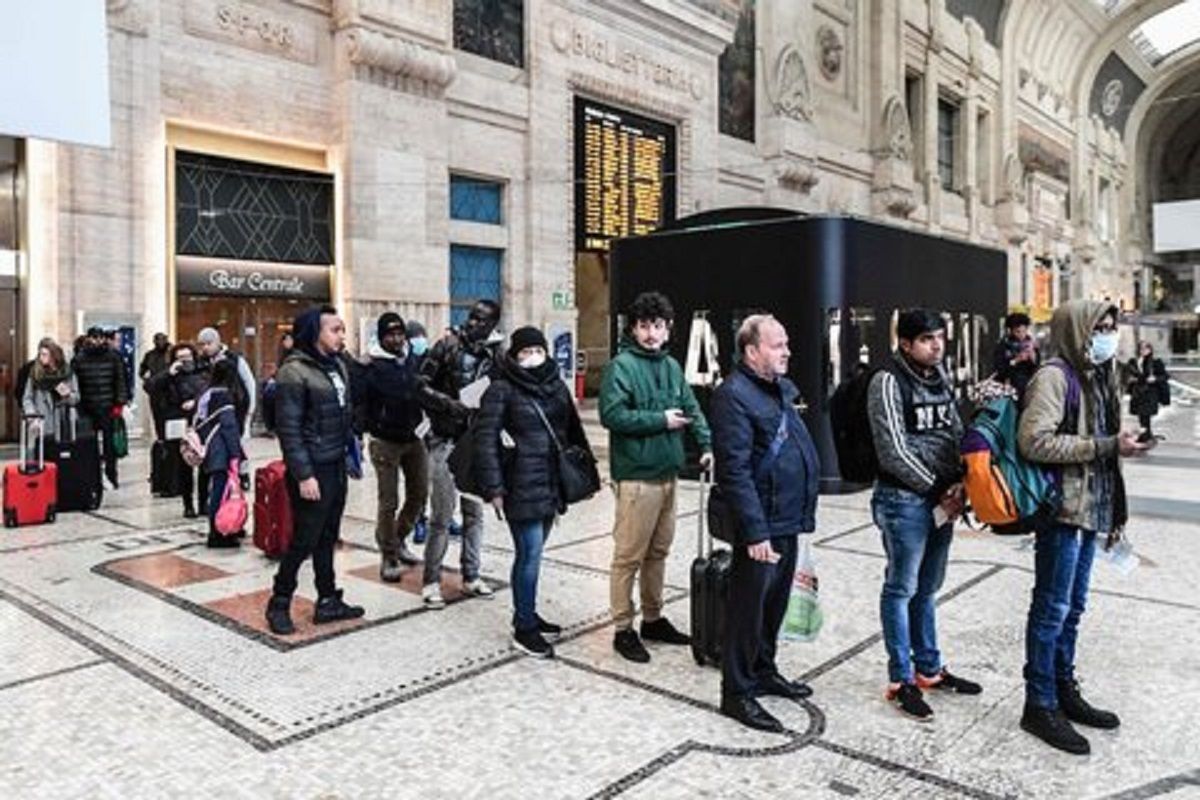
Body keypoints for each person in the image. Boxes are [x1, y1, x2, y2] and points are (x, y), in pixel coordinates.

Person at [1017, 300, 1149, 755]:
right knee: (1051, 609)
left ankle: (1062, 689)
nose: (1108, 335)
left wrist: (1118, 451)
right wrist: (1107, 444)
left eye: (1112, 327)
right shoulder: (1055, 376)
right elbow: (1033, 441)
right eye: (1100, 327)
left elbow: (1100, 446)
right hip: (1062, 513)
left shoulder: (1099, 375)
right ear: (1076, 330)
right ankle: (1039, 702)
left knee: (1072, 609)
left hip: (1091, 509)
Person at [867, 308, 980, 721]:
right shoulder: (887, 381)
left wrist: (960, 483)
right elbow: (892, 450)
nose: (937, 345)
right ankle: (901, 679)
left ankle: (928, 668)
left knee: (928, 586)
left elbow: (951, 431)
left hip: (940, 499)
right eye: (928, 339)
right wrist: (938, 490)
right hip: (903, 501)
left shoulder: (939, 377)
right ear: (906, 343)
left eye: (941, 338)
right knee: (901, 587)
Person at [709, 314, 820, 733]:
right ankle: (736, 692)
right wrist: (754, 532)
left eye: (786, 343)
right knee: (747, 608)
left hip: (787, 518)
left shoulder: (778, 392)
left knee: (774, 603)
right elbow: (734, 471)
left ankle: (763, 668)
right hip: (762, 525)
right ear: (751, 351)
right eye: (777, 345)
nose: (787, 351)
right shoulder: (732, 396)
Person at [599, 291, 712, 663]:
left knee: (658, 552)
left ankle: (652, 617)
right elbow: (612, 415)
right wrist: (660, 420)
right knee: (629, 556)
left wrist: (706, 444)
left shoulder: (672, 366)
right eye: (644, 326)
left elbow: (692, 408)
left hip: (668, 474)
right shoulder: (622, 366)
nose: (651, 333)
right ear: (634, 329)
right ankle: (622, 628)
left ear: (668, 329)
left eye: (658, 326)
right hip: (636, 477)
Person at [475, 326, 593, 658]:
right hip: (520, 484)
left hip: (550, 482)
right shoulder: (502, 390)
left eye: (537, 351)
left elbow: (572, 431)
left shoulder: (555, 385)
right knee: (529, 553)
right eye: (525, 352)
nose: (531, 357)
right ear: (514, 356)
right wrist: (494, 487)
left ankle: (526, 612)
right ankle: (524, 629)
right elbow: (486, 441)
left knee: (534, 552)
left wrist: (583, 474)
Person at [265, 305, 364, 635]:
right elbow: (289, 429)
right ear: (315, 332)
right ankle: (279, 602)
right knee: (304, 539)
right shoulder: (294, 372)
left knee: (327, 536)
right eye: (334, 329)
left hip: (335, 462)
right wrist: (304, 474)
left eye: (342, 329)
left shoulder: (337, 365)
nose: (341, 335)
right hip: (312, 468)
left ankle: (328, 599)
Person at [416, 299, 503, 609]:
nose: (473, 324)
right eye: (472, 317)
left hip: (475, 441)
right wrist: (447, 403)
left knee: (474, 514)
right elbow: (419, 385)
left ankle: (472, 574)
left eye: (482, 320)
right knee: (441, 514)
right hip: (444, 438)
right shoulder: (446, 346)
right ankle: (430, 581)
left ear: (493, 325)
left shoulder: (495, 355)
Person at [358, 312, 429, 580]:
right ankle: (388, 555)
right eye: (391, 334)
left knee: (419, 495)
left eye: (400, 334)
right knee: (388, 501)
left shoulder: (413, 359)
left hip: (414, 438)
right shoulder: (372, 365)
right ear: (381, 337)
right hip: (384, 441)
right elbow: (361, 402)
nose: (397, 339)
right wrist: (364, 429)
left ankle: (398, 538)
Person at [146, 343, 208, 518]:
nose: (185, 361)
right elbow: (150, 387)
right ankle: (188, 504)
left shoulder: (203, 371)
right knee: (183, 466)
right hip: (178, 422)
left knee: (205, 465)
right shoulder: (169, 374)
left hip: (200, 421)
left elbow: (208, 391)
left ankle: (204, 503)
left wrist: (195, 402)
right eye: (180, 358)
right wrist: (168, 373)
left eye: (188, 356)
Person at [193, 360, 246, 547]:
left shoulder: (205, 394)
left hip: (208, 448)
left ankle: (219, 530)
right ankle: (218, 533)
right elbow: (229, 427)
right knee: (221, 492)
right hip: (221, 450)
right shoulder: (224, 396)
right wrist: (236, 454)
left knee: (217, 490)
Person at [73, 326, 129, 489]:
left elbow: (120, 380)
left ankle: (112, 476)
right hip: (87, 408)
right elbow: (76, 384)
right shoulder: (79, 358)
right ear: (88, 338)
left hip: (108, 407)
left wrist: (120, 403)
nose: (97, 340)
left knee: (109, 446)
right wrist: (78, 406)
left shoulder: (113, 356)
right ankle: (92, 477)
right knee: (89, 445)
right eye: (94, 337)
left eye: (100, 337)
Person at [22, 338, 79, 447]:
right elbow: (27, 398)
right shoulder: (35, 374)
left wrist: (67, 394)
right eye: (40, 354)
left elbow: (76, 398)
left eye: (45, 354)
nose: (41, 357)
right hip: (40, 422)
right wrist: (32, 416)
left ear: (53, 356)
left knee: (60, 457)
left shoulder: (67, 373)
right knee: (40, 458)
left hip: (63, 424)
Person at [1126, 342, 1168, 443]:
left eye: (1146, 349)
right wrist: (1131, 380)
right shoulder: (1133, 361)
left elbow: (1165, 376)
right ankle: (1146, 434)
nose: (1143, 351)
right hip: (1138, 392)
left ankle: (1145, 435)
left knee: (1146, 415)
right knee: (1141, 415)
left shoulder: (1155, 362)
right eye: (1141, 349)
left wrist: (1155, 379)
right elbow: (1128, 374)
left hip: (1150, 392)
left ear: (1150, 350)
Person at [992, 312, 1039, 401]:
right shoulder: (1003, 346)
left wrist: (1033, 357)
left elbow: (1037, 368)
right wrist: (1016, 360)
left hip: (1029, 387)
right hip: (1009, 388)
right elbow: (1000, 369)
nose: (1021, 335)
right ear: (1011, 330)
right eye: (1018, 331)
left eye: (1024, 331)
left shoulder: (1031, 345)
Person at [140, 333, 172, 439]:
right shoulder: (150, 355)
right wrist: (146, 380)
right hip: (155, 392)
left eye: (163, 340)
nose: (160, 342)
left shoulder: (171, 353)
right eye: (158, 340)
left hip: (170, 393)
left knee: (171, 422)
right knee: (158, 421)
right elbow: (142, 370)